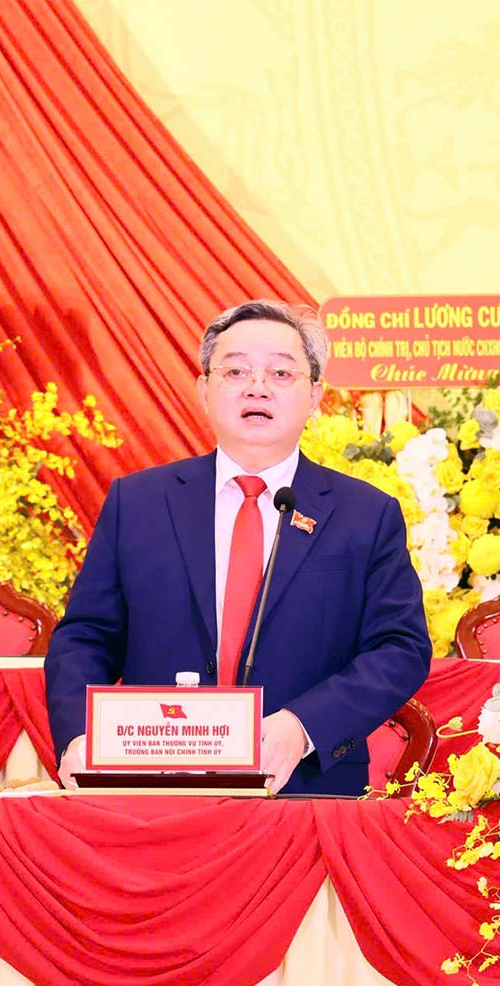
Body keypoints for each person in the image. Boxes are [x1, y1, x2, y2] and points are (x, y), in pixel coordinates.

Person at [44, 300, 431, 794]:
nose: (257, 386)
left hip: (304, 789)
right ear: (204, 390)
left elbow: (400, 649)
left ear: (315, 395)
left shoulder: (365, 514)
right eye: (236, 370)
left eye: (281, 373)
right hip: (151, 787)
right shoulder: (138, 502)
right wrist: (80, 737)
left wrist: (303, 727)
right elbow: (85, 638)